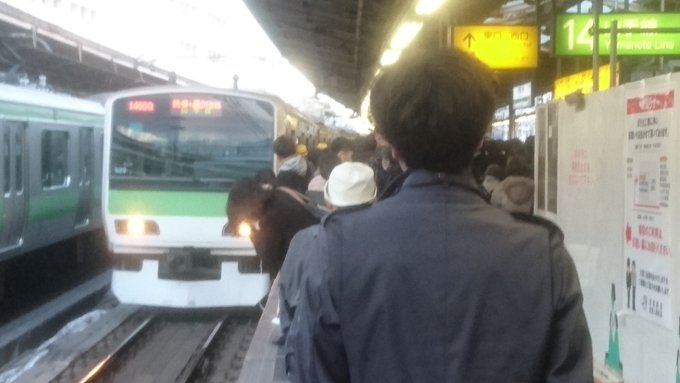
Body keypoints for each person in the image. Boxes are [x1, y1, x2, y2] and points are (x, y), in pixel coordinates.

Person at [287, 48, 592, 383]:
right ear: (480, 139)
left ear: (393, 146)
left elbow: (311, 373)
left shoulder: (338, 248)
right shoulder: (543, 254)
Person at [279, 162, 376, 343]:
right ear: (374, 201)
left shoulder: (304, 241)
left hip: (317, 350)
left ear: (328, 202)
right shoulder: (386, 239)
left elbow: (288, 299)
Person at [226, 176, 318, 279]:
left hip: (308, 266)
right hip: (315, 251)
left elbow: (268, 256)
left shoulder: (270, 218)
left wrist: (252, 232)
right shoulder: (280, 194)